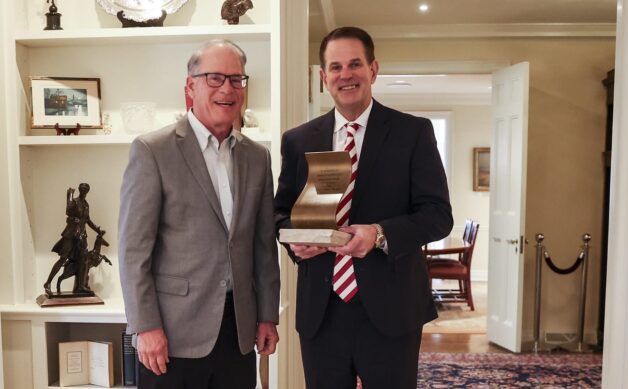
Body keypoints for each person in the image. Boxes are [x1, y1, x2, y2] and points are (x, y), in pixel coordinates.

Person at [274, 26, 452, 389]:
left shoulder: (413, 133)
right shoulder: (298, 140)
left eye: (355, 64)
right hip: (321, 310)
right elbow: (279, 214)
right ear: (324, 77)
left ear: (373, 69)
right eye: (335, 67)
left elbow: (438, 216)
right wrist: (295, 241)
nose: (346, 75)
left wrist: (380, 234)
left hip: (392, 310)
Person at [119, 39, 280, 389]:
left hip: (238, 333)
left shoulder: (258, 157)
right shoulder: (152, 150)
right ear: (190, 87)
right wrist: (146, 326)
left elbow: (264, 247)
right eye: (215, 78)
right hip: (172, 335)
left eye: (236, 79)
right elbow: (133, 252)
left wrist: (267, 315)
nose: (227, 89)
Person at [46, 183, 103, 295]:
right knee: (62, 259)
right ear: (79, 190)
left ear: (88, 191)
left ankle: (81, 286)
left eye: (85, 189)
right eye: (82, 189)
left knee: (83, 260)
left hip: (82, 235)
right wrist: (69, 196)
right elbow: (68, 211)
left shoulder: (86, 204)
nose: (83, 191)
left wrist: (97, 230)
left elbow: (87, 220)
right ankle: (47, 283)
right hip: (71, 234)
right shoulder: (74, 201)